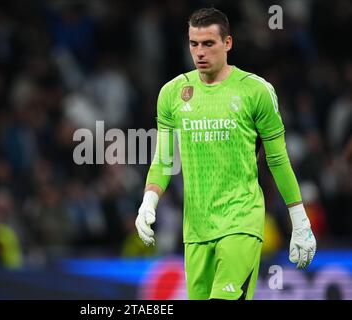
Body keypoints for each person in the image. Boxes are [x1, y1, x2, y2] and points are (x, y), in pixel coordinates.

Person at [135, 7, 316, 300]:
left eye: (209, 43)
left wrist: (300, 219)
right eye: (194, 44)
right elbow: (164, 160)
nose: (200, 52)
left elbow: (278, 159)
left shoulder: (255, 91)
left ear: (228, 43)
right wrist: (148, 201)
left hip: (241, 222)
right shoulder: (172, 93)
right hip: (195, 230)